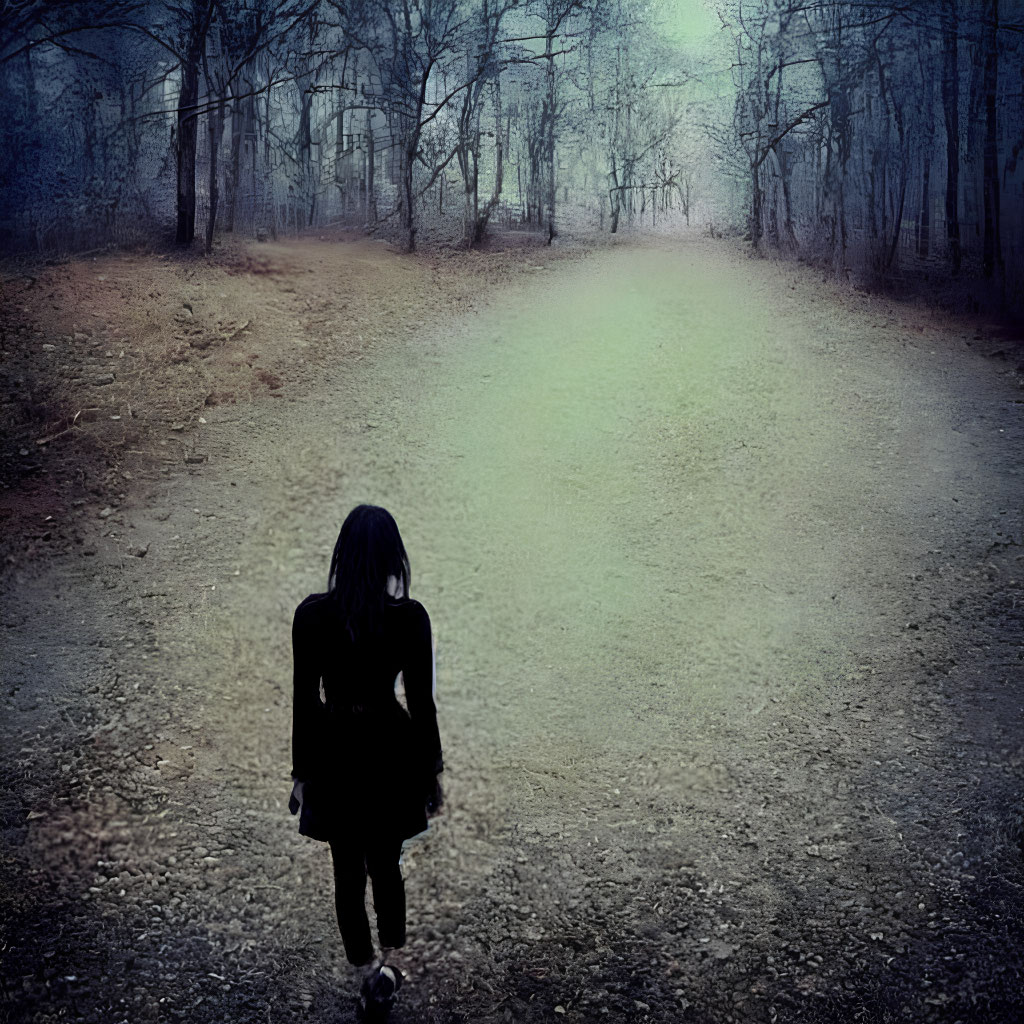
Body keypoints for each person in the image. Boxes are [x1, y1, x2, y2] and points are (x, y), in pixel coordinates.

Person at [289, 504, 444, 1018]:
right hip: (390, 750)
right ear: (391, 558)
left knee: (346, 871)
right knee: (387, 864)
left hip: (335, 753)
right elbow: (421, 704)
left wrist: (301, 774)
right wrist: (431, 773)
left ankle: (364, 971)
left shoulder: (312, 616)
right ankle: (390, 960)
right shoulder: (409, 618)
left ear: (342, 554)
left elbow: (305, 701)